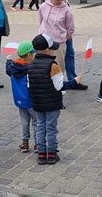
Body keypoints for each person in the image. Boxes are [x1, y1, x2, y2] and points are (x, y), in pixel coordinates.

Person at [28, 33, 81, 165]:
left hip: (38, 103)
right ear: (47, 49)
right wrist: (74, 82)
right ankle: (51, 154)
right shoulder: (53, 65)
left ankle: (41, 154)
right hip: (52, 103)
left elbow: (29, 86)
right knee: (51, 128)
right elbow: (60, 86)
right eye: (51, 47)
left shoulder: (31, 65)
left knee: (40, 127)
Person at [6, 41, 37, 153]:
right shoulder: (30, 68)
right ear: (29, 55)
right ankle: (37, 143)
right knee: (36, 121)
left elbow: (8, 69)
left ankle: (25, 143)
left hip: (19, 100)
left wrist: (8, 60)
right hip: (30, 100)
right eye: (33, 54)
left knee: (24, 122)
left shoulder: (13, 67)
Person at [37, 0, 74, 75]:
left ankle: (59, 87)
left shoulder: (67, 10)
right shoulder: (44, 6)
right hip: (44, 43)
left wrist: (63, 37)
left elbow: (70, 28)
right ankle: (46, 86)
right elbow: (40, 20)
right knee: (44, 68)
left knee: (58, 68)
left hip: (59, 44)